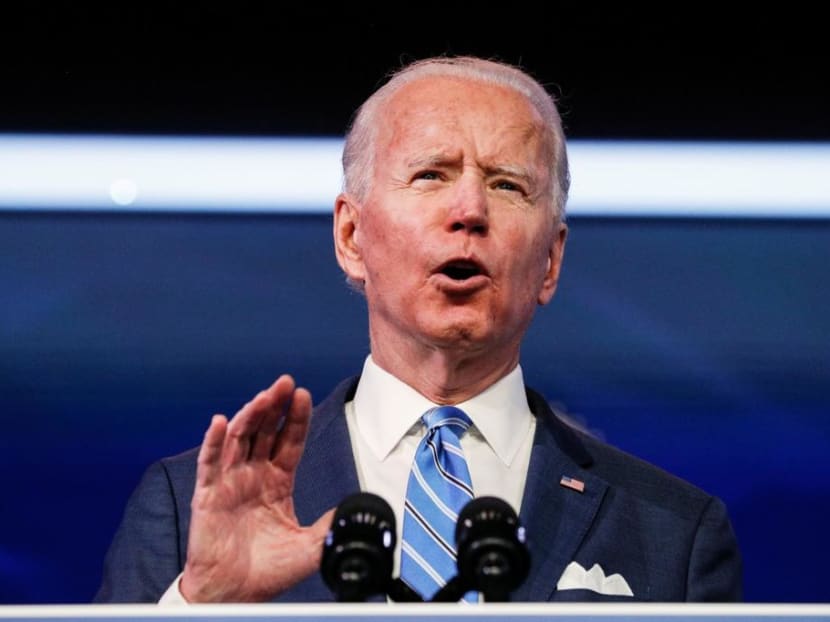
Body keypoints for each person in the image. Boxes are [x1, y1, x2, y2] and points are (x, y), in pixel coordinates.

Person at [94, 55, 743, 603]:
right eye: (431, 174)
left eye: (508, 185)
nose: (469, 210)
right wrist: (200, 606)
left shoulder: (674, 530)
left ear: (550, 261)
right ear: (351, 236)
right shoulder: (188, 507)